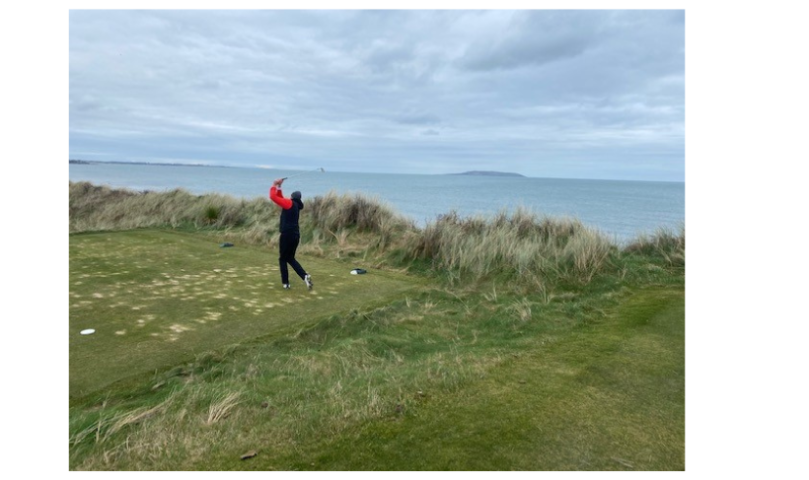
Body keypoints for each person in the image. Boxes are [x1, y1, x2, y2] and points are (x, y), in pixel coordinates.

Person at [270, 178, 313, 290]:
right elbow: (280, 198)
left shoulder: (289, 203)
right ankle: (305, 276)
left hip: (287, 235)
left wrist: (274, 185)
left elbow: (273, 197)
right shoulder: (296, 205)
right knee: (290, 258)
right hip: (295, 235)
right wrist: (279, 187)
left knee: (282, 259)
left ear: (292, 197)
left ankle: (286, 283)